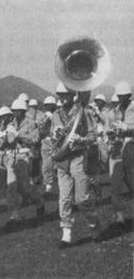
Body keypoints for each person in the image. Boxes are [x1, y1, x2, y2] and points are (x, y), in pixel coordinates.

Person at [51, 82, 100, 248]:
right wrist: (55, 134)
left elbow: (93, 135)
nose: (63, 99)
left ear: (72, 95)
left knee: (81, 199)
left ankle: (94, 225)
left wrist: (82, 139)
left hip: (78, 156)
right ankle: (66, 235)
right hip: (63, 159)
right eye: (61, 96)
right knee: (64, 198)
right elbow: (54, 138)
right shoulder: (56, 114)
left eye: (66, 95)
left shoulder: (83, 112)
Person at [0, 98, 45, 229]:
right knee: (11, 185)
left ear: (23, 112)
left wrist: (19, 137)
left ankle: (39, 200)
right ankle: (15, 215)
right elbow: (2, 144)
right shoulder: (10, 124)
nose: (16, 114)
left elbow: (35, 139)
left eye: (19, 111)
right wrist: (3, 136)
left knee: (25, 188)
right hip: (11, 156)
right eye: (14, 111)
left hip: (24, 156)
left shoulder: (30, 123)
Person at [105, 81, 134, 226]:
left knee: (132, 182)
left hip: (130, 148)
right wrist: (109, 133)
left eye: (125, 96)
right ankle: (119, 214)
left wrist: (127, 127)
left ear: (129, 96)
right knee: (115, 183)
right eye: (120, 96)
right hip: (116, 149)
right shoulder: (113, 112)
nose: (123, 98)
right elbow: (106, 129)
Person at [40, 96, 57, 193]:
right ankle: (48, 184)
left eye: (51, 105)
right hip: (46, 142)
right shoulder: (44, 116)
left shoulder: (58, 115)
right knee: (46, 165)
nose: (49, 107)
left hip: (56, 141)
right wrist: (46, 121)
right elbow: (41, 131)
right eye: (47, 105)